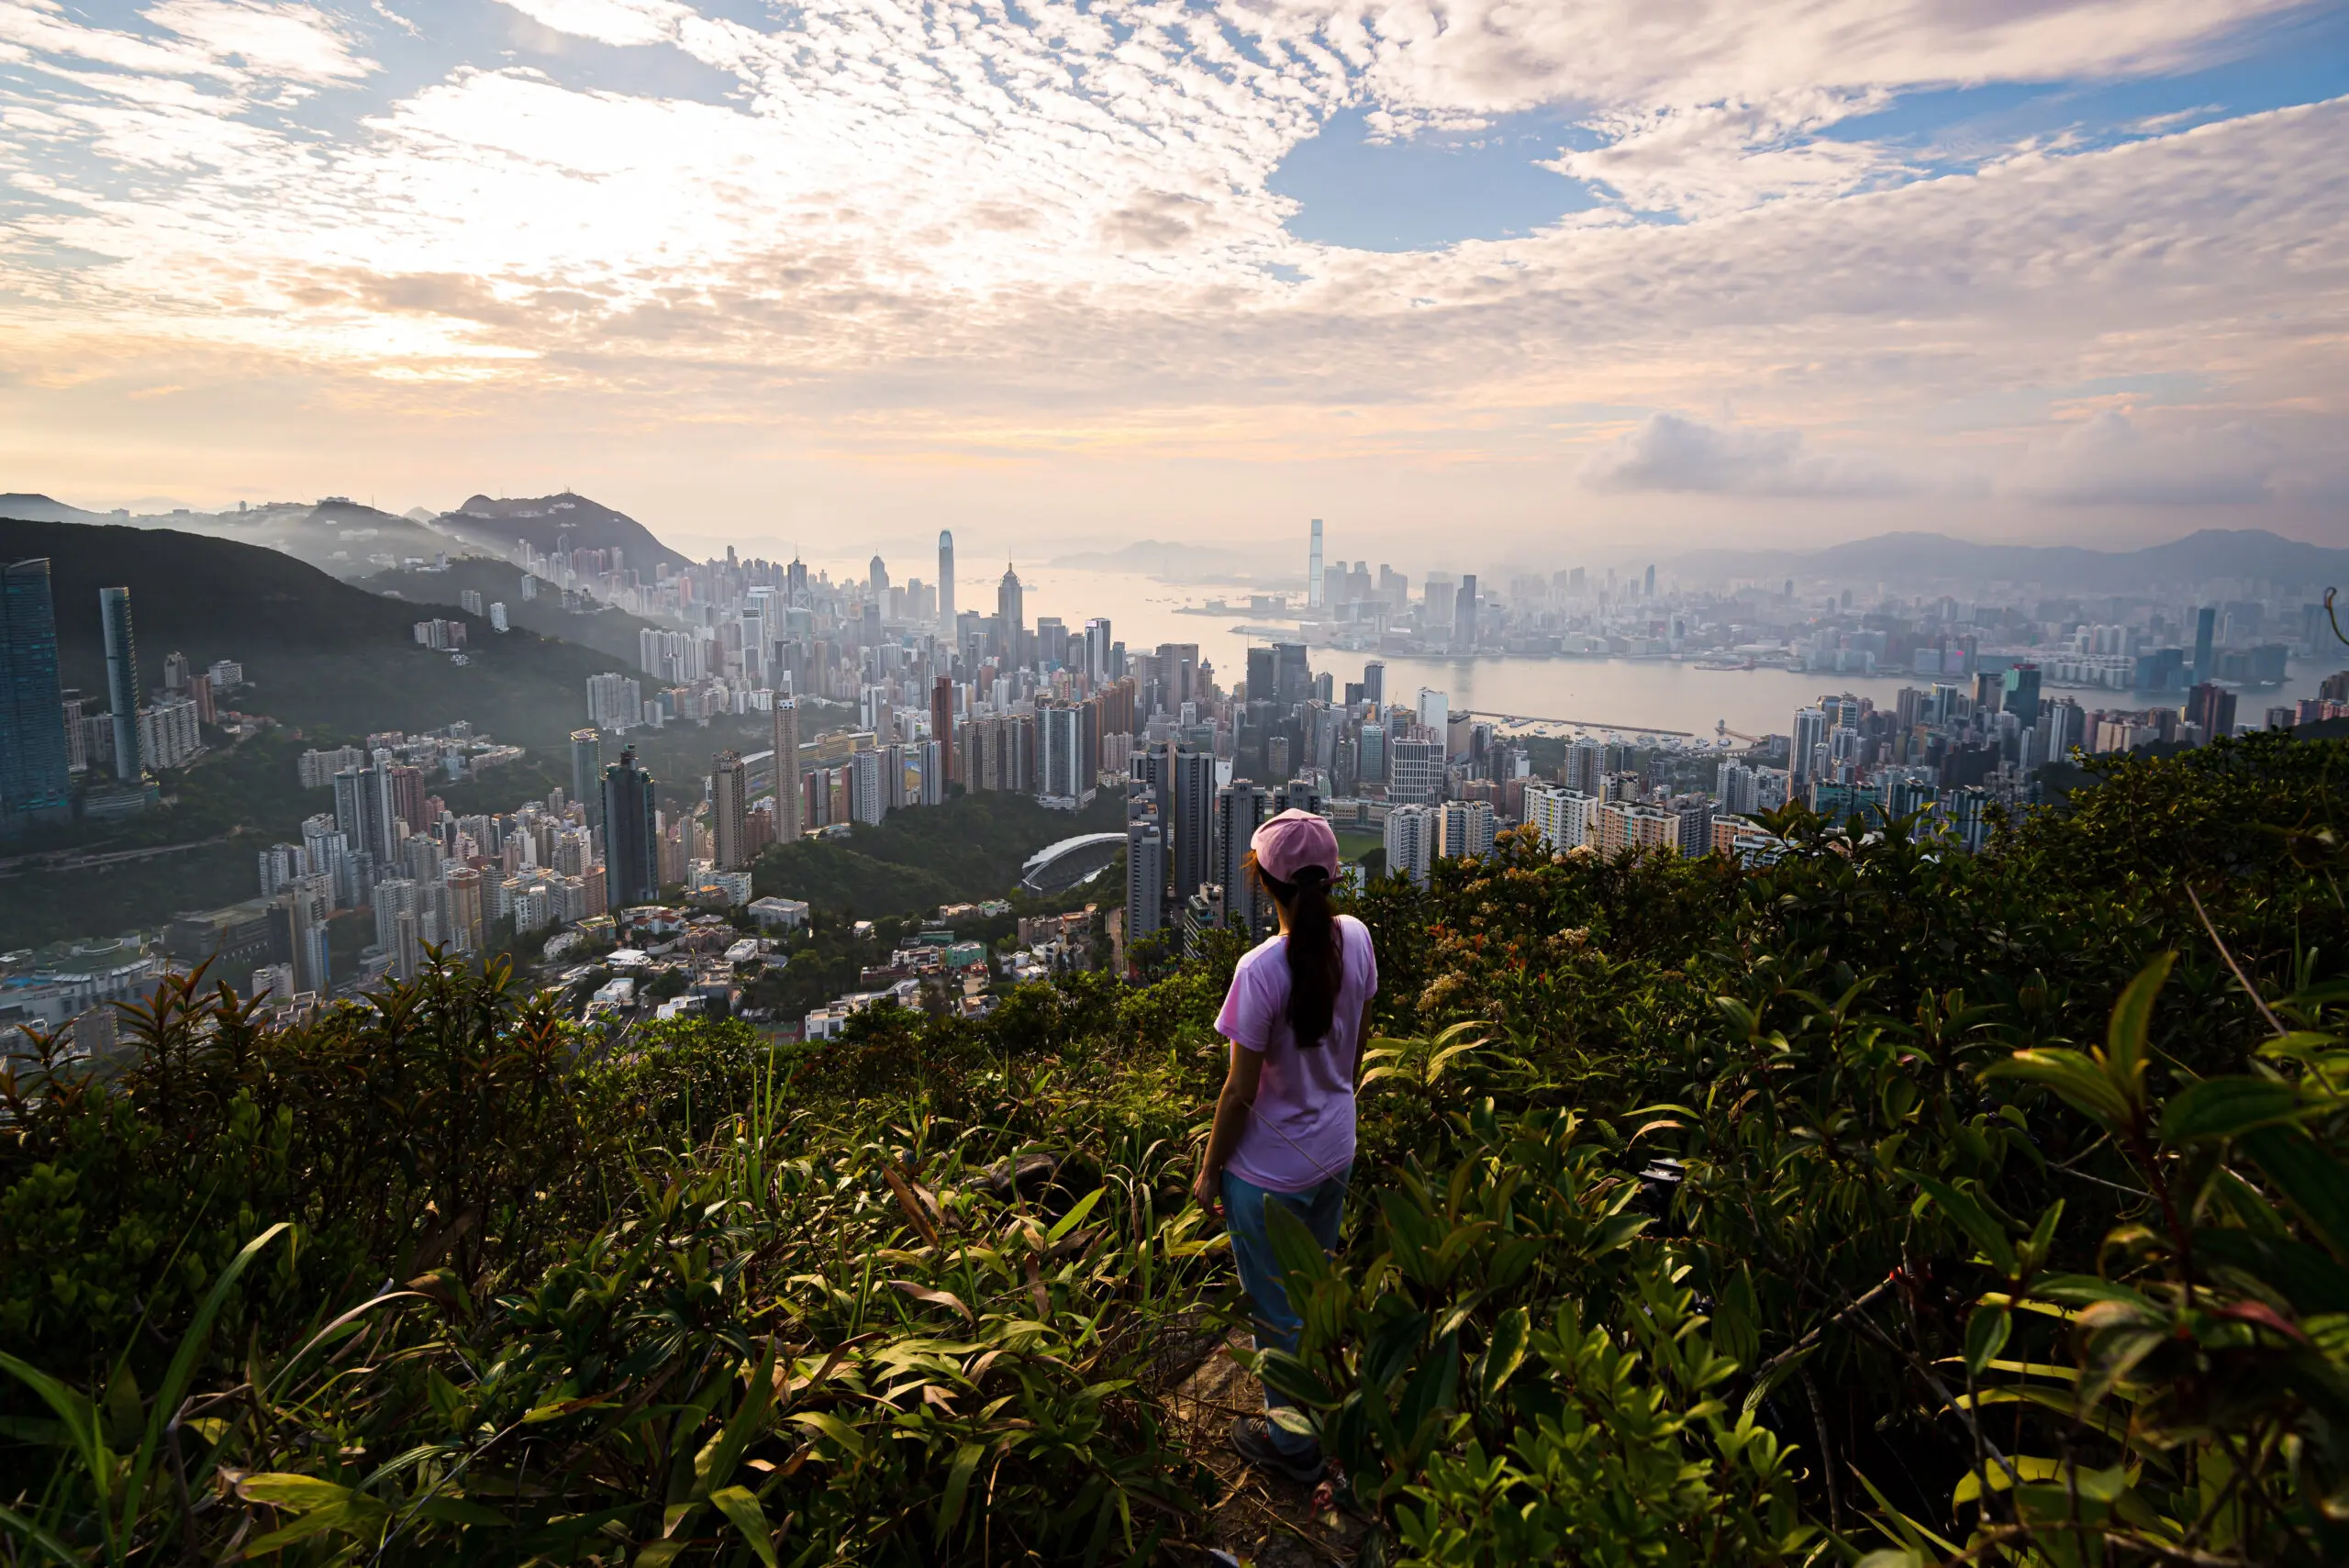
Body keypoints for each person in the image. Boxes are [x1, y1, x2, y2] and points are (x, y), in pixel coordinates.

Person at [1192, 808, 1378, 1484]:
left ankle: (1295, 1444)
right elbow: (1356, 1042)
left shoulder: (1259, 969)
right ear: (1330, 877)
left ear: (1263, 880)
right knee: (1313, 1285)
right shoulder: (1355, 938)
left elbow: (1238, 1094)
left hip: (1269, 1176)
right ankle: (1328, 1406)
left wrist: (1210, 1171)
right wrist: (1333, 1095)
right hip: (1337, 1147)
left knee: (1275, 1313)